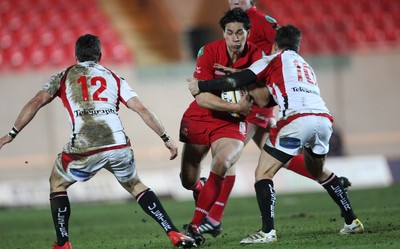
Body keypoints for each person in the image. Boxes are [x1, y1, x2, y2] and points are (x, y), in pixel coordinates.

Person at [0, 34, 195, 249]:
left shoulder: (63, 76)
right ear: (100, 56)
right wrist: (166, 138)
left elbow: (37, 101)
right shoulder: (114, 77)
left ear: (75, 56)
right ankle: (174, 233)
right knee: (136, 185)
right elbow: (142, 108)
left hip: (85, 146)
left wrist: (12, 133)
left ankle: (63, 243)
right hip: (118, 144)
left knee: (57, 183)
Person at [188, 24, 364, 244]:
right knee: (317, 171)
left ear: (274, 45)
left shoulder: (272, 59)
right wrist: (248, 78)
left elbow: (237, 82)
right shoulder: (305, 66)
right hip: (323, 120)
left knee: (263, 173)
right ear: (298, 46)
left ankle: (267, 231)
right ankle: (352, 221)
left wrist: (202, 84)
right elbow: (268, 96)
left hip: (296, 121)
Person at [179, 8, 260, 246]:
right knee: (187, 179)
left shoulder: (258, 56)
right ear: (223, 34)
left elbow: (263, 93)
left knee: (223, 162)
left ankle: (195, 226)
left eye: (240, 33)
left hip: (232, 124)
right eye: (230, 33)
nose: (235, 38)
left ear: (248, 33)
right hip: (201, 117)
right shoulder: (209, 51)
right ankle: (200, 187)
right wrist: (234, 105)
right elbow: (201, 98)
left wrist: (248, 106)